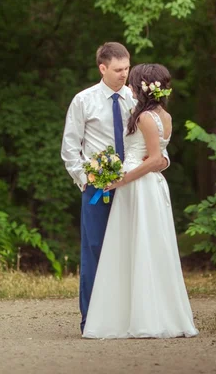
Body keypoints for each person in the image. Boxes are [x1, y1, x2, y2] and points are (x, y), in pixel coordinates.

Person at [82, 63, 198, 339]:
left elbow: (156, 158)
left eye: (133, 84)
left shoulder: (145, 117)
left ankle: (141, 317)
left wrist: (122, 179)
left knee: (139, 245)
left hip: (138, 187)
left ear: (142, 88)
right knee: (145, 246)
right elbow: (160, 156)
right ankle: (146, 312)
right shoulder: (163, 115)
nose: (129, 88)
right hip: (145, 185)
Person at [61, 43, 168, 333]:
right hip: (98, 189)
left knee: (129, 250)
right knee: (95, 250)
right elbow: (71, 149)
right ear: (103, 68)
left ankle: (126, 318)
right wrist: (89, 180)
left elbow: (155, 140)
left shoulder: (138, 101)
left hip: (134, 187)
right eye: (119, 69)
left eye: (127, 68)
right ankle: (91, 321)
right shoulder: (84, 101)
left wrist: (160, 161)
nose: (125, 74)